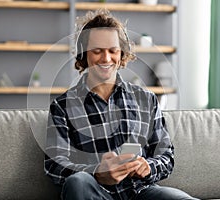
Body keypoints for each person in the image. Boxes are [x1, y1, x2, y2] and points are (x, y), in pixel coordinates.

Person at [44, 9, 197, 200]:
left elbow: (166, 155)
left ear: (122, 53)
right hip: (94, 192)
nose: (106, 59)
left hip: (141, 192)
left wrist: (148, 167)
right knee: (78, 182)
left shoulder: (146, 99)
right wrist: (97, 172)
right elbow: (55, 166)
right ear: (84, 55)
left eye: (112, 50)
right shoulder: (62, 106)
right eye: (97, 51)